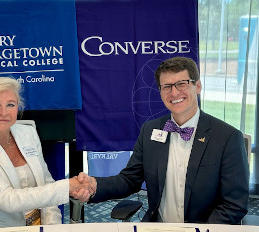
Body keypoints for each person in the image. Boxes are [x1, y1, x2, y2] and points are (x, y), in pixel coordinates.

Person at [73, 57, 249, 224]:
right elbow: (129, 180)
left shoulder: (227, 137)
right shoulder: (150, 130)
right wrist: (95, 186)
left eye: (182, 84)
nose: (174, 92)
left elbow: (234, 205)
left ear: (198, 86)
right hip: (158, 226)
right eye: (167, 87)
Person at [0, 77, 92, 229]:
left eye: (11, 105)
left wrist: (53, 226)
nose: (4, 112)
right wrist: (66, 186)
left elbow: (46, 183)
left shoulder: (27, 132)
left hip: (40, 225)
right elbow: (7, 199)